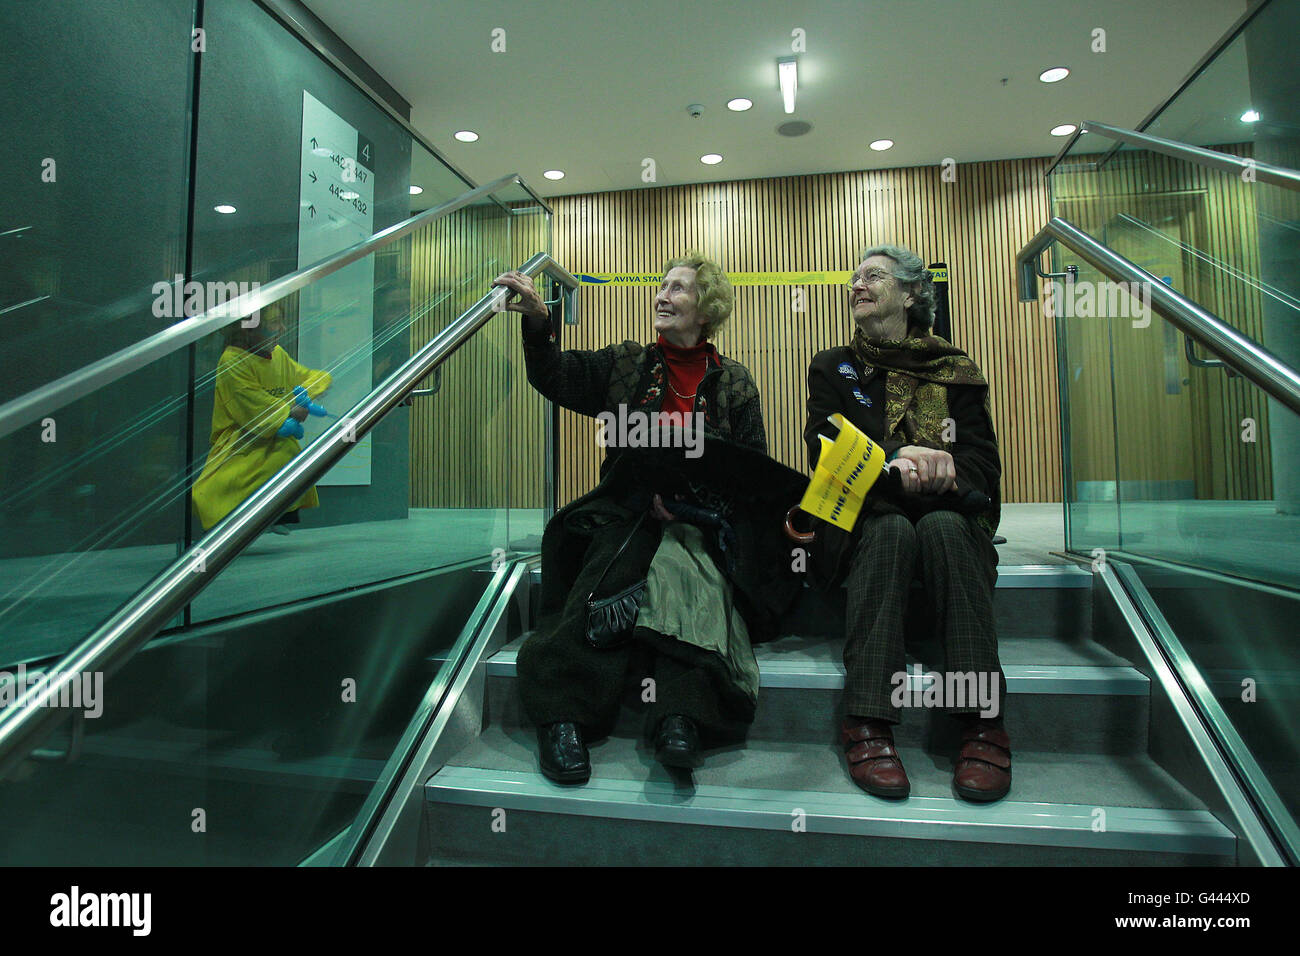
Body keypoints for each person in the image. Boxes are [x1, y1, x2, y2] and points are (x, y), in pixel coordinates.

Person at [493, 253, 795, 784]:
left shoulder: (734, 383)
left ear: (706, 309)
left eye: (678, 289)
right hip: (626, 509)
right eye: (661, 285)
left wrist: (697, 504)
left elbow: (753, 478)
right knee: (612, 564)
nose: (662, 295)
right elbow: (556, 376)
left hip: (700, 522)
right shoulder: (626, 364)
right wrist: (540, 321)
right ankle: (563, 715)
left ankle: (681, 717)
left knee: (691, 569)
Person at [803, 244, 1010, 802]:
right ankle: (867, 719)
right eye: (853, 279)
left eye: (872, 276)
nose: (856, 286)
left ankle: (981, 720)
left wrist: (940, 471)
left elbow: (983, 467)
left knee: (942, 528)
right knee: (893, 530)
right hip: (866, 518)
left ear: (912, 292)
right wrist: (906, 459)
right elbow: (828, 449)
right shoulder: (832, 367)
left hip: (946, 516)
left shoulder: (957, 369)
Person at [192, 306, 332, 533]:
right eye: (275, 322)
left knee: (286, 458)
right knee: (219, 490)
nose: (282, 329)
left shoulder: (278, 355)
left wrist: (305, 394)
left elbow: (311, 377)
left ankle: (271, 515)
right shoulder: (231, 361)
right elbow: (251, 405)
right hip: (241, 443)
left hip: (275, 438)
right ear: (249, 330)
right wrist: (290, 410)